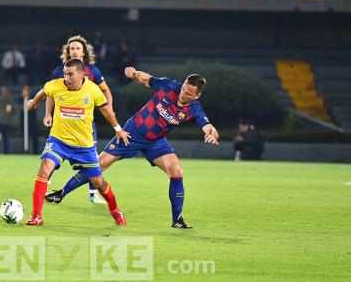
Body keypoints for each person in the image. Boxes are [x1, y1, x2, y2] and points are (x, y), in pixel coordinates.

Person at [46, 67, 220, 229]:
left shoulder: (194, 109)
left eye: (189, 94)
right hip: (132, 133)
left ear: (196, 96)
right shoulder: (170, 86)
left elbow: (209, 128)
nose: (183, 94)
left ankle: (177, 220)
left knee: (177, 171)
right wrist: (134, 72)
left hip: (156, 142)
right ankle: (61, 193)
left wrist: (211, 134)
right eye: (183, 89)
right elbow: (147, 79)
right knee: (99, 164)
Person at [25, 59, 129, 226]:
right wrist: (33, 102)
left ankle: (116, 212)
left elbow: (106, 111)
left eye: (70, 74)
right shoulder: (56, 85)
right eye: (65, 74)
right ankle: (36, 216)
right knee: (44, 169)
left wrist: (118, 129)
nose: (66, 78)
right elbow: (43, 92)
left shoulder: (93, 90)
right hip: (59, 141)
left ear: (82, 74)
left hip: (84, 147)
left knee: (99, 184)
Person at [46, 35, 114, 204]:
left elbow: (106, 91)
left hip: (86, 124)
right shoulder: (60, 71)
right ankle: (45, 184)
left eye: (78, 48)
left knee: (92, 160)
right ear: (67, 52)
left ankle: (93, 194)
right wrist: (48, 114)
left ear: (84, 52)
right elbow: (50, 94)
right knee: (53, 157)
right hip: (64, 121)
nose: (74, 50)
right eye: (72, 48)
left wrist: (108, 109)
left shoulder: (93, 71)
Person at [0, 86, 19, 154]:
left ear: (8, 92)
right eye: (3, 92)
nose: (4, 93)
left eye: (5, 91)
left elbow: (15, 112)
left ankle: (6, 153)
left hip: (7, 124)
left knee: (6, 140)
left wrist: (13, 121)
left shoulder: (11, 101)